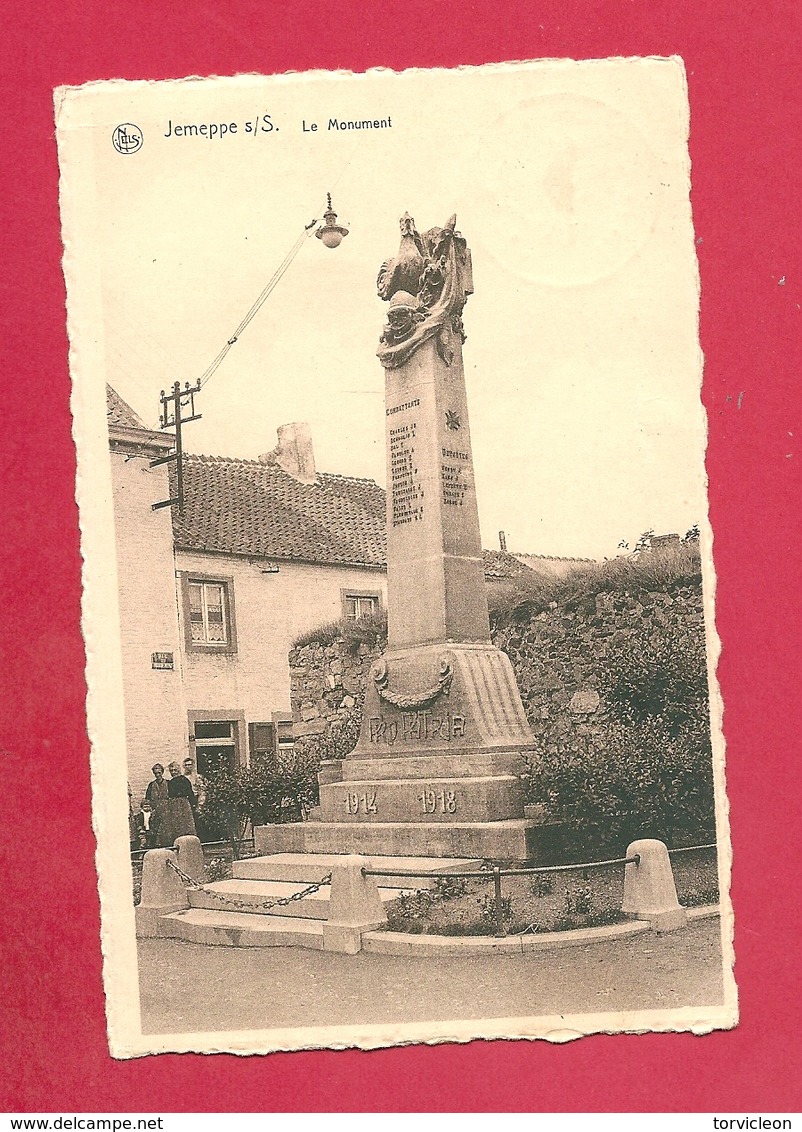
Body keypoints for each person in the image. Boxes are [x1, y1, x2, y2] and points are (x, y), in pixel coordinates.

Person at [158, 760, 197, 846]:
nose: (173, 772)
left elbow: (190, 793)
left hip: (184, 804)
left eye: (175, 770)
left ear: (179, 770)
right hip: (174, 805)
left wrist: (193, 804)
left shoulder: (184, 780)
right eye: (171, 771)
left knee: (186, 823)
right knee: (176, 824)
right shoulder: (170, 782)